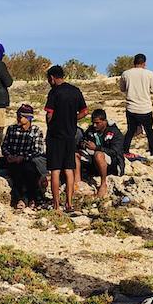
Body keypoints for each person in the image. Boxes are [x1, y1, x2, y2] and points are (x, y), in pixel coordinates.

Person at [44, 65, 89, 212]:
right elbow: (85, 111)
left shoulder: (54, 92)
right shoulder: (75, 91)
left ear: (52, 78)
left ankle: (56, 205)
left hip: (55, 135)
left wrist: (50, 125)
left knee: (55, 170)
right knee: (69, 170)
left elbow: (49, 114)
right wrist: (72, 119)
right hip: (70, 135)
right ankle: (69, 203)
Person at [0, 104, 46, 209]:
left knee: (29, 171)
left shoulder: (36, 131)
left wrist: (23, 157)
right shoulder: (11, 129)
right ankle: (22, 199)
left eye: (20, 116)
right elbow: (5, 145)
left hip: (28, 160)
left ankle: (31, 198)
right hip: (12, 159)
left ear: (28, 118)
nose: (18, 119)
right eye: (18, 116)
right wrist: (8, 155)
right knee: (16, 173)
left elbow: (38, 150)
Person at [77, 108, 125, 198]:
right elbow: (82, 141)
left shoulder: (114, 133)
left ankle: (103, 184)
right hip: (93, 159)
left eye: (97, 123)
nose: (95, 125)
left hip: (112, 163)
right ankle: (78, 183)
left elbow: (115, 152)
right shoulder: (91, 130)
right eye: (93, 123)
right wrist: (85, 144)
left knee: (98, 155)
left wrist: (97, 148)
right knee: (76, 155)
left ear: (104, 121)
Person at [120, 53, 153, 158]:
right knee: (149, 131)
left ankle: (125, 150)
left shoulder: (126, 74)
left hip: (131, 107)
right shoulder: (149, 74)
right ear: (144, 63)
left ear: (134, 62)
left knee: (130, 130)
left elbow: (122, 89)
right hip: (145, 108)